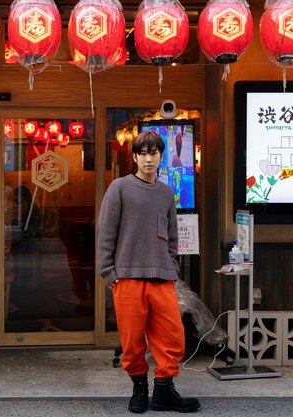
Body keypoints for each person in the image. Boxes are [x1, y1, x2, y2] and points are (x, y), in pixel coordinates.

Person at [96, 130, 200, 414]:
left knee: (173, 336)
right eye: (142, 153)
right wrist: (107, 270)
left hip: (162, 278)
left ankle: (164, 391)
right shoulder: (119, 188)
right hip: (126, 277)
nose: (148, 159)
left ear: (161, 157)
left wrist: (171, 266)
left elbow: (171, 236)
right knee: (131, 341)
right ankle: (139, 390)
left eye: (153, 153)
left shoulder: (167, 193)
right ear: (134, 157)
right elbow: (105, 231)